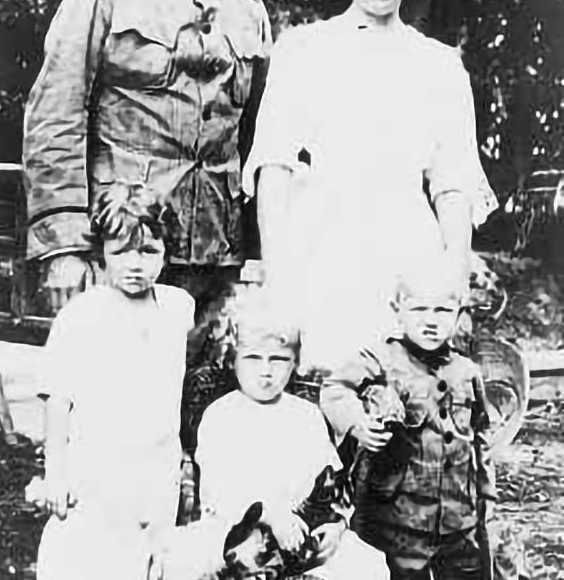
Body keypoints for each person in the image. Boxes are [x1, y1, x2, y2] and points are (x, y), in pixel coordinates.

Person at [23, 0, 271, 360]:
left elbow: (257, 140)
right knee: (109, 403)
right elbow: (54, 117)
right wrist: (65, 245)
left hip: (215, 256)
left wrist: (258, 252)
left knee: (196, 406)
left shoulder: (247, 10)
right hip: (122, 246)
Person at [243, 0, 498, 377]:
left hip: (407, 244)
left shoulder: (438, 65)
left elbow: (453, 182)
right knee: (326, 378)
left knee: (404, 384)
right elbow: (274, 167)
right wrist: (276, 276)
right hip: (323, 238)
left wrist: (454, 274)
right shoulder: (304, 50)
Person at [34, 183, 195, 580]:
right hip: (97, 470)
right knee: (89, 561)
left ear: (166, 251)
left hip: (157, 471)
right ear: (100, 253)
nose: (134, 265)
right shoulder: (81, 315)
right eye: (121, 252)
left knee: (147, 564)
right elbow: (58, 398)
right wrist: (56, 470)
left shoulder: (178, 308)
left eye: (148, 251)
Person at [161, 302, 389, 580]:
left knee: (368, 564)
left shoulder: (307, 415)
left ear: (294, 363)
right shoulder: (221, 415)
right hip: (238, 528)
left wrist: (337, 525)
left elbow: (331, 483)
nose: (266, 371)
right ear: (233, 359)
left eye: (279, 359)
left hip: (300, 530)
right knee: (180, 559)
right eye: (253, 358)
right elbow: (221, 494)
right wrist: (268, 515)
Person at [319, 261, 496, 580]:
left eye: (442, 310)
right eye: (419, 310)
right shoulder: (382, 359)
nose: (431, 321)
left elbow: (481, 439)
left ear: (459, 313)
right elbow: (334, 389)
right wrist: (358, 423)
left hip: (459, 521)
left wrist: (487, 496)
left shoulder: (467, 371)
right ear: (397, 310)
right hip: (397, 523)